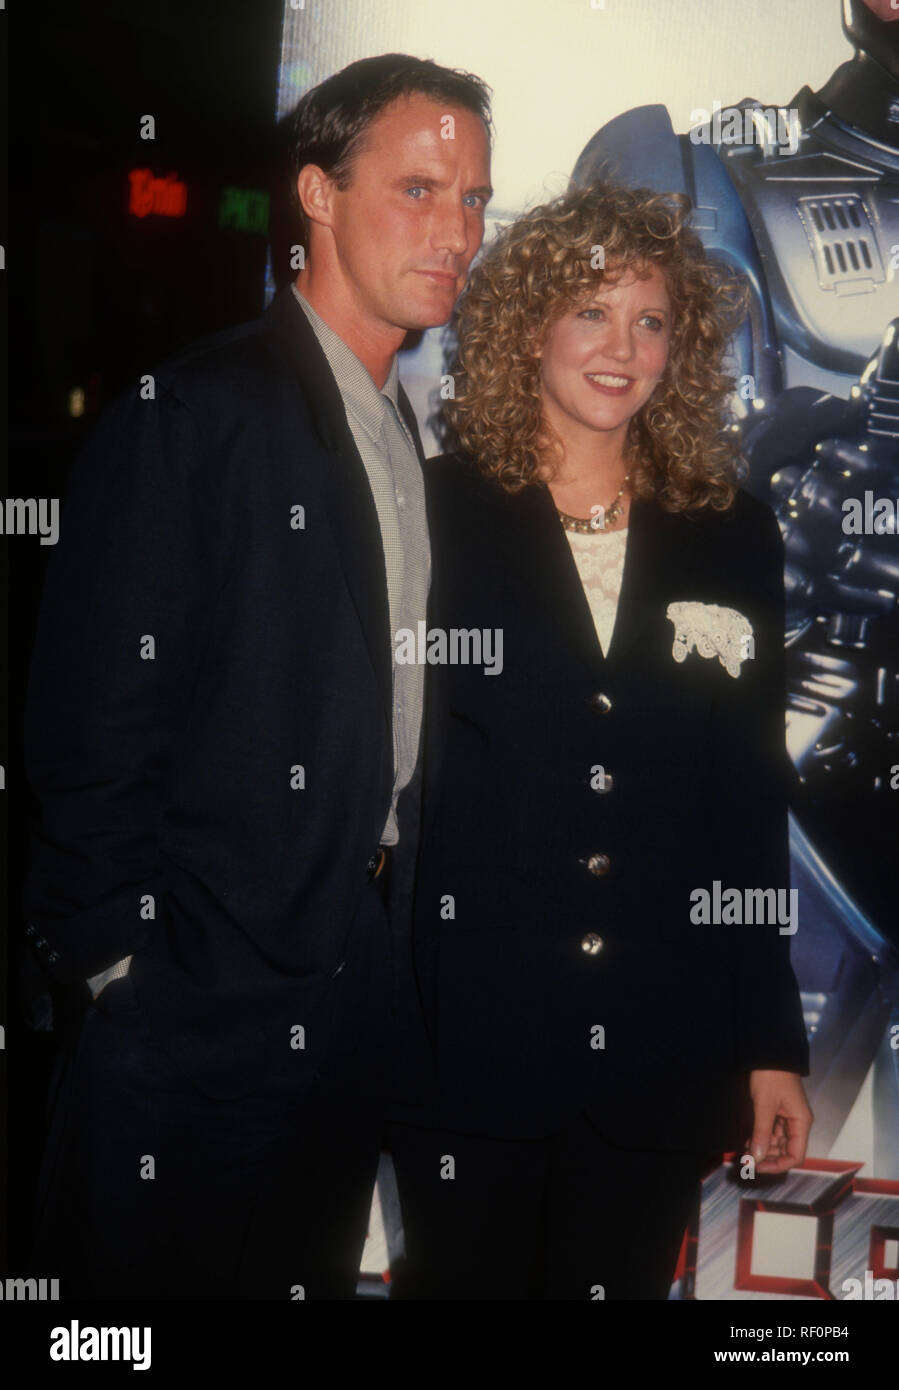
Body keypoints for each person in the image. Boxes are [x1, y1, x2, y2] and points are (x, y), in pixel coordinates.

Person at [22, 53, 492, 1300]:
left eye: (474, 200)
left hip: (351, 994)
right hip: (197, 1002)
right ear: (317, 198)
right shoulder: (196, 412)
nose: (457, 232)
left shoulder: (405, 432)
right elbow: (89, 723)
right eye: (420, 189)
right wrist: (122, 973)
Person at [387, 180, 813, 1301]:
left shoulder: (730, 530)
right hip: (462, 1044)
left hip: (661, 1053)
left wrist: (768, 1040)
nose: (622, 347)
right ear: (528, 327)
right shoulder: (429, 513)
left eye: (651, 320)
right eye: (590, 311)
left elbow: (747, 803)